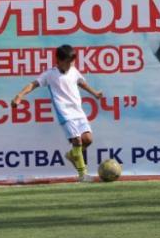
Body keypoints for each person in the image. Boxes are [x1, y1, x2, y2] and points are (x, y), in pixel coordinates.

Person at [12, 45, 104, 183]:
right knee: (77, 140)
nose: (71, 64)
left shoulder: (73, 71)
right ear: (59, 61)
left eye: (72, 61)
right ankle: (82, 175)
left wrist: (94, 93)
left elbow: (81, 83)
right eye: (68, 62)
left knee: (88, 139)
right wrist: (19, 95)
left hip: (78, 111)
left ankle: (72, 155)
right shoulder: (50, 74)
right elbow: (33, 84)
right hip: (65, 113)